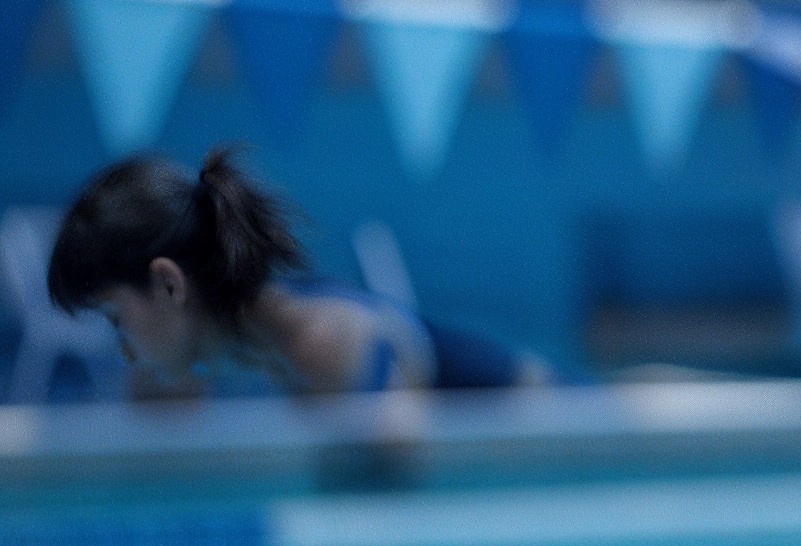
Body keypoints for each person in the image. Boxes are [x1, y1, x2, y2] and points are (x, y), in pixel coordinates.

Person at [47, 148, 546, 396]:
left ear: (170, 284)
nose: (124, 349)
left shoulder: (318, 342)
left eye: (116, 319)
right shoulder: (255, 327)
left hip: (552, 409)